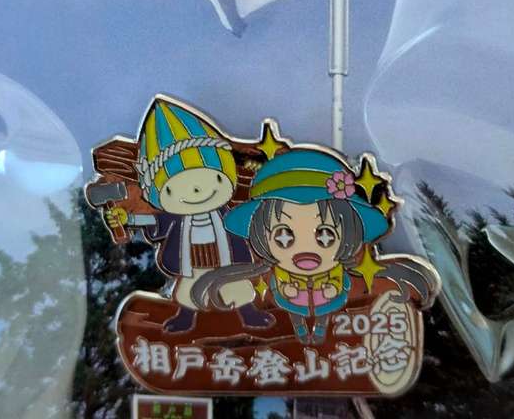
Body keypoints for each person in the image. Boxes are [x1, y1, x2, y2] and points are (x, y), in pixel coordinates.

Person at [191, 148, 437, 344]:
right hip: (290, 305)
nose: (305, 248)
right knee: (296, 310)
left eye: (325, 235)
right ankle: (300, 329)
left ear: (348, 235)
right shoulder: (270, 280)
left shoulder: (347, 277)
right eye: (284, 236)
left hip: (327, 303)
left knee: (323, 310)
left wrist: (331, 289)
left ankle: (319, 329)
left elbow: (346, 285)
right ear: (261, 238)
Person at [106, 97, 273, 332]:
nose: (196, 191)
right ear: (158, 194)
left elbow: (247, 220)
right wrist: (128, 219)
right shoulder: (175, 219)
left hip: (225, 259)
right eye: (172, 190)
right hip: (192, 262)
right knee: (188, 289)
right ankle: (185, 317)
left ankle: (249, 314)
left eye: (216, 178)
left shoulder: (228, 214)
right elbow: (154, 221)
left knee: (235, 285)